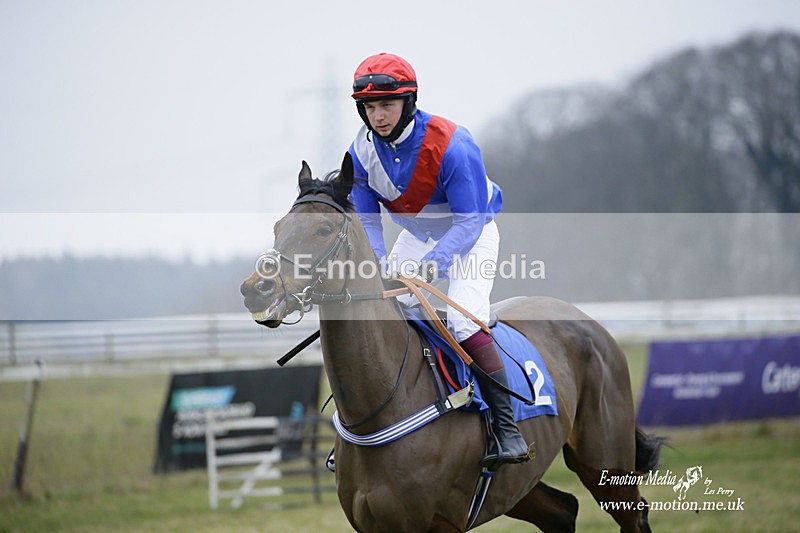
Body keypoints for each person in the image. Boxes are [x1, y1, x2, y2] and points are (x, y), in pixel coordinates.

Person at [346, 52, 530, 467]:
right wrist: (377, 264)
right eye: (370, 107)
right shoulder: (360, 151)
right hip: (418, 235)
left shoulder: (454, 145)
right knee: (384, 308)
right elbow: (367, 218)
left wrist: (434, 265)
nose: (378, 116)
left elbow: (468, 223)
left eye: (387, 105)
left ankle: (507, 430)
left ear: (409, 101)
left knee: (462, 321)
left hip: (473, 233)